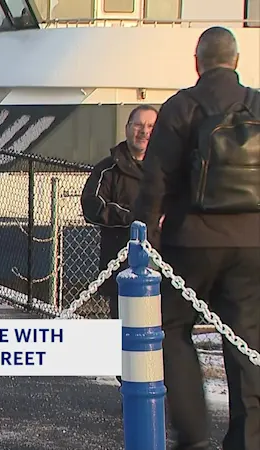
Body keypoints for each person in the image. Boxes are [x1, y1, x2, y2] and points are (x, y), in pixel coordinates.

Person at [134, 26, 260, 450]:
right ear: (237, 62)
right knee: (245, 339)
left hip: (192, 242)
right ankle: (247, 439)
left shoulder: (182, 106)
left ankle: (191, 434)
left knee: (172, 325)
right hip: (252, 243)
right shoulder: (257, 103)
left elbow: (156, 181)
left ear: (197, 61)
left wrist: (144, 237)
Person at [81, 105, 157, 320]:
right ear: (127, 128)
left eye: (151, 126)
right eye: (139, 125)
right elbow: (92, 207)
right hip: (121, 265)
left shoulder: (168, 170)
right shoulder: (107, 170)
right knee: (123, 326)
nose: (144, 131)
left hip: (163, 265)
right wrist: (134, 220)